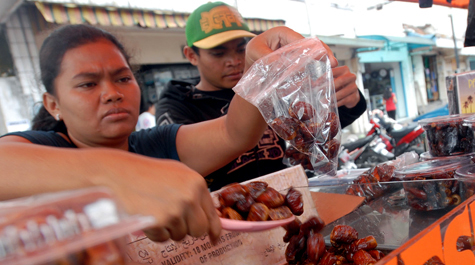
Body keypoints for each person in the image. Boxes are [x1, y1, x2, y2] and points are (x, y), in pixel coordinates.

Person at [0, 24, 328, 243]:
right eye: (88, 84)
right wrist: (116, 175)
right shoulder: (42, 148)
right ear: (53, 104)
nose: (111, 93)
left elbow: (234, 134)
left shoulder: (155, 144)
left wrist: (260, 68)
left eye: (122, 78)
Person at [156, 1, 367, 190]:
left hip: (286, 208)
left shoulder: (273, 84)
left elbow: (313, 132)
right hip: (225, 223)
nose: (234, 61)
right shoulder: (178, 105)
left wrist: (347, 99)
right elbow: (181, 172)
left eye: (241, 50)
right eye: (218, 53)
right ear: (191, 55)